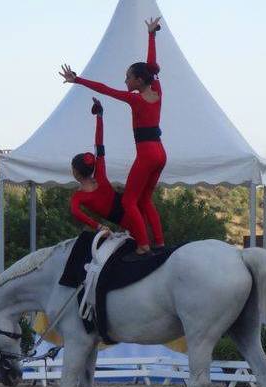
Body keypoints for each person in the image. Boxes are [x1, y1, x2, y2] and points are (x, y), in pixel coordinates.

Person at [60, 16, 166, 258]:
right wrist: (151, 35)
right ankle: (159, 242)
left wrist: (77, 80)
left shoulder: (135, 98)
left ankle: (144, 245)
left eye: (128, 77)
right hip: (161, 152)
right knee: (145, 200)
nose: (125, 81)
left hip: (148, 154)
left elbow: (104, 89)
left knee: (130, 201)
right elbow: (152, 65)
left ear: (139, 80)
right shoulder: (157, 91)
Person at [69, 97, 125, 236]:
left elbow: (75, 212)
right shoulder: (100, 175)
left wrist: (99, 226)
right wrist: (99, 116)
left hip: (125, 223)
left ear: (76, 173)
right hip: (134, 214)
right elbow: (99, 143)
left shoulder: (79, 196)